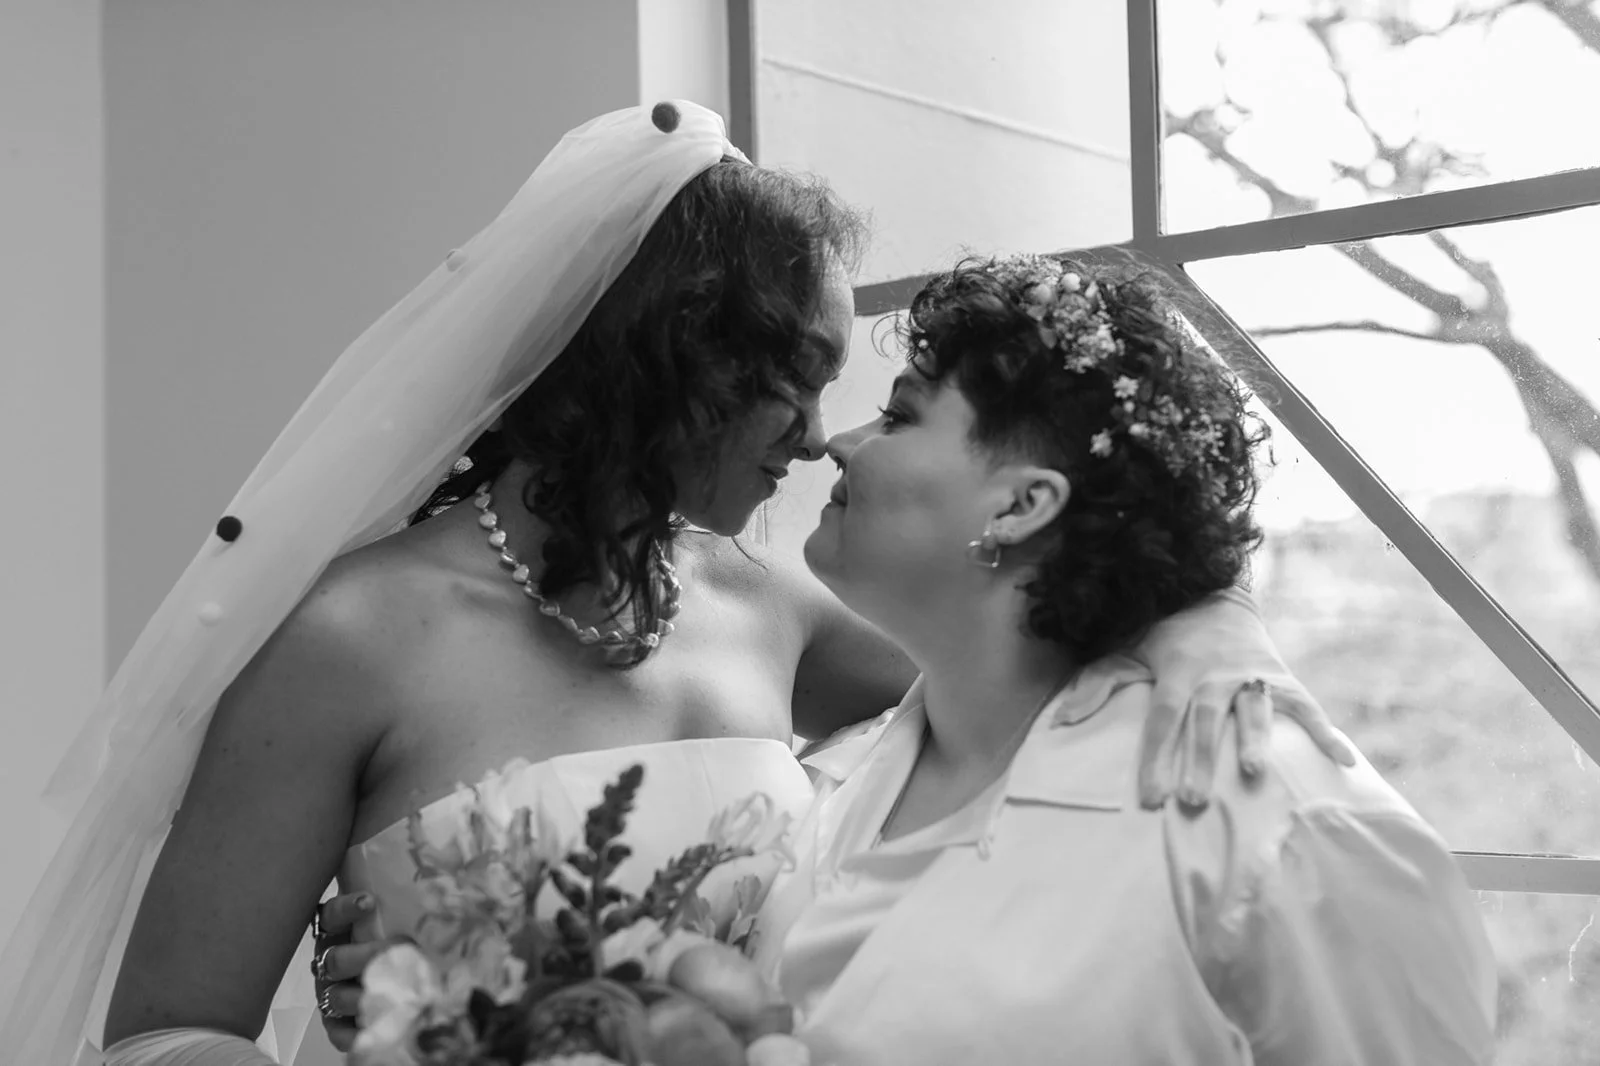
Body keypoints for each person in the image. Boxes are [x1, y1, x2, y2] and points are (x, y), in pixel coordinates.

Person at [0, 103, 1346, 1066]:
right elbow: (164, 1037)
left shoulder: (779, 617)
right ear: (678, 357)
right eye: (798, 374)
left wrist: (1211, 637)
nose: (818, 435)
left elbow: (1050, 633)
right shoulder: (354, 638)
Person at [742, 253, 1499, 1064]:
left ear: (1022, 505)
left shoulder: (1277, 825)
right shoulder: (833, 779)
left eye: (899, 417)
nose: (838, 444)